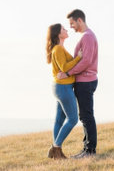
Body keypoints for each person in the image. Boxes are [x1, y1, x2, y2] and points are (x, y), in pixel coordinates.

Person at [57, 9, 98, 158]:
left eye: (72, 23)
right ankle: (87, 149)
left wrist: (68, 73)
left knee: (86, 116)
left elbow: (86, 61)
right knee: (85, 116)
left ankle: (90, 151)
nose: (71, 26)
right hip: (85, 81)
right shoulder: (87, 36)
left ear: (79, 20)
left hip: (86, 81)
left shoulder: (87, 36)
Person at [46, 23, 82, 159]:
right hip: (63, 88)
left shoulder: (58, 48)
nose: (67, 30)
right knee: (73, 119)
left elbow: (64, 67)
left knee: (59, 120)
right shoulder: (58, 49)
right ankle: (56, 148)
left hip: (59, 87)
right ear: (58, 34)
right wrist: (78, 58)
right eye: (63, 29)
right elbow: (64, 67)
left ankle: (57, 153)